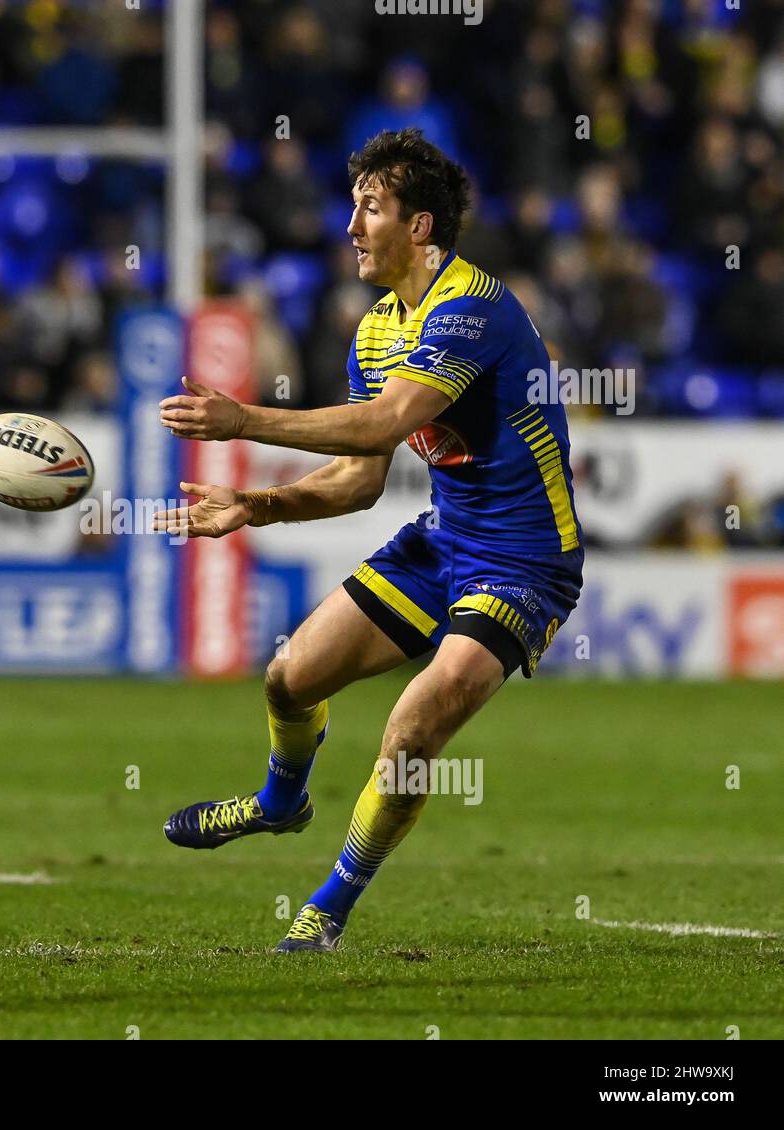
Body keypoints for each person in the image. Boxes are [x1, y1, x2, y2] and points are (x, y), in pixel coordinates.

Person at [155, 128, 583, 953]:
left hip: (525, 564)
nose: (351, 225)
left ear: (420, 227)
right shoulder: (377, 331)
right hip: (443, 542)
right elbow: (361, 476)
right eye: (352, 206)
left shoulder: (476, 308)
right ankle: (282, 802)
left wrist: (243, 419)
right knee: (289, 677)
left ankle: (328, 907)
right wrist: (254, 504)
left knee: (412, 733)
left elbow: (388, 419)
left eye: (371, 208)